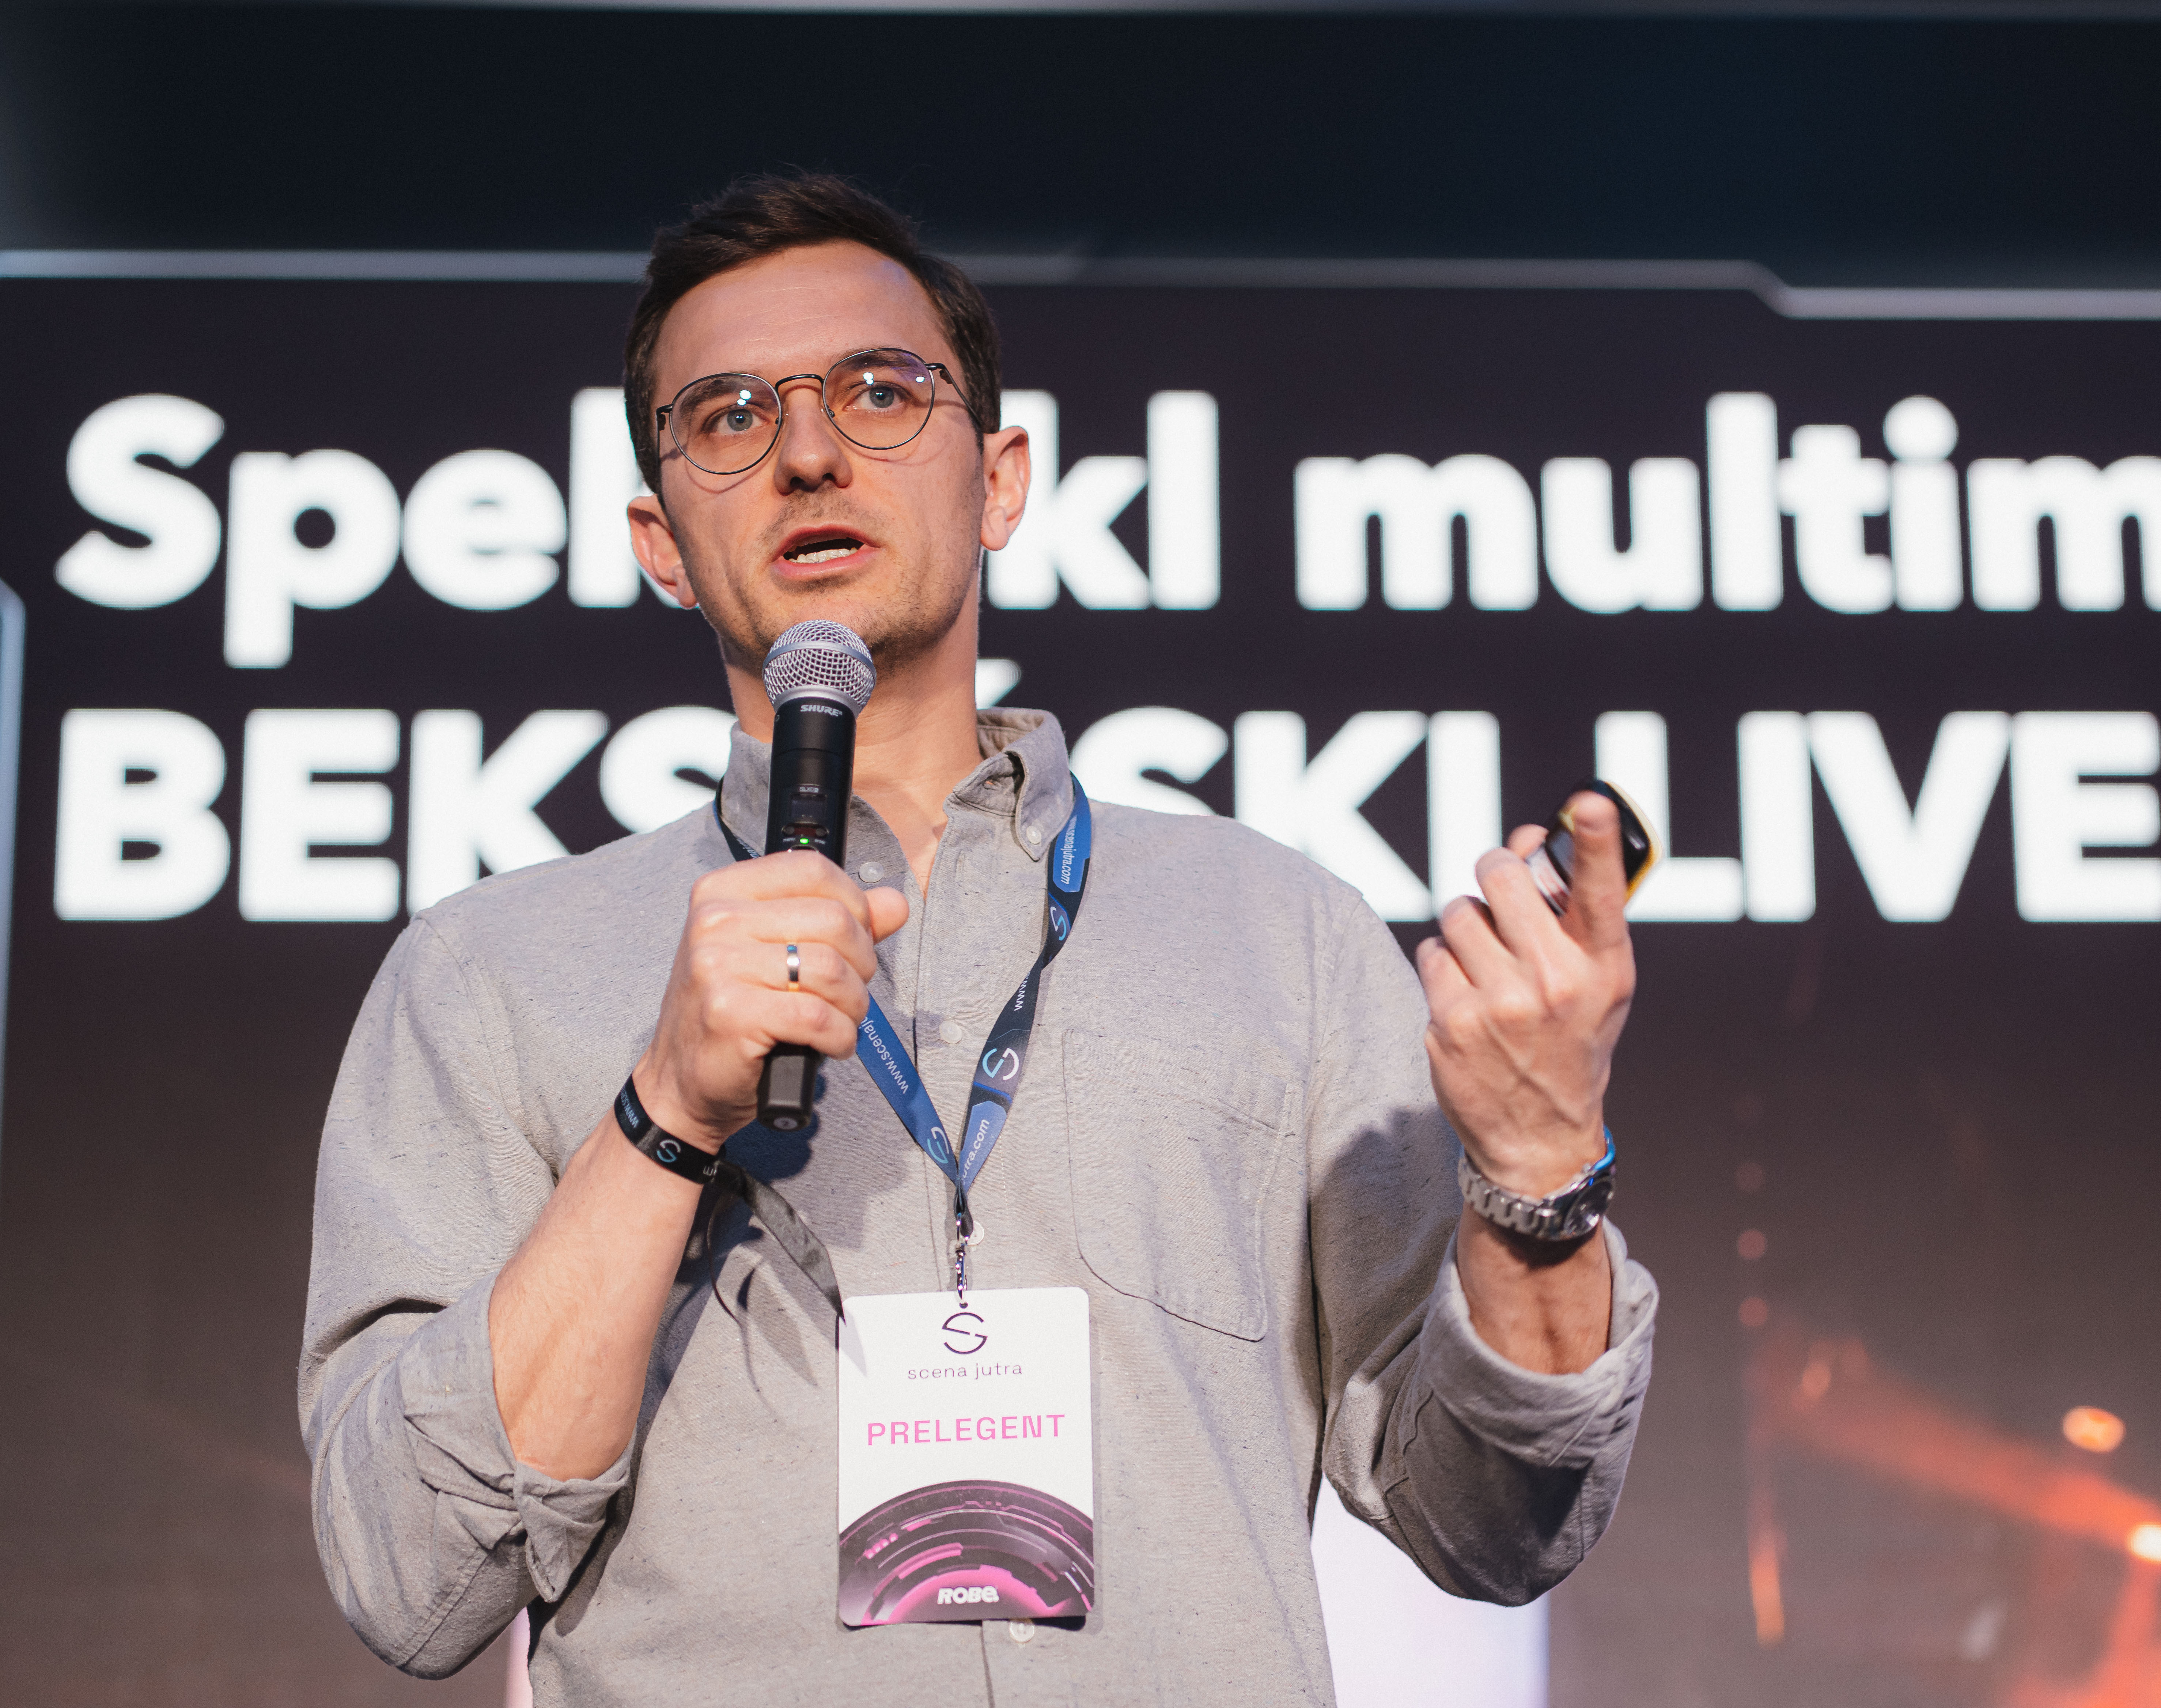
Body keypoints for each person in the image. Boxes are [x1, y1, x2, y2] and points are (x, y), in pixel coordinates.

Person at [300, 171, 1657, 1705]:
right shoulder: (487, 977)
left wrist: (1540, 1181)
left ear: (1001, 480)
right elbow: (412, 1578)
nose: (809, 451)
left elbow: (1496, 1523)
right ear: (660, 541)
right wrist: (662, 1115)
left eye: (882, 393)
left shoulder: (1280, 934)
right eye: (730, 416)